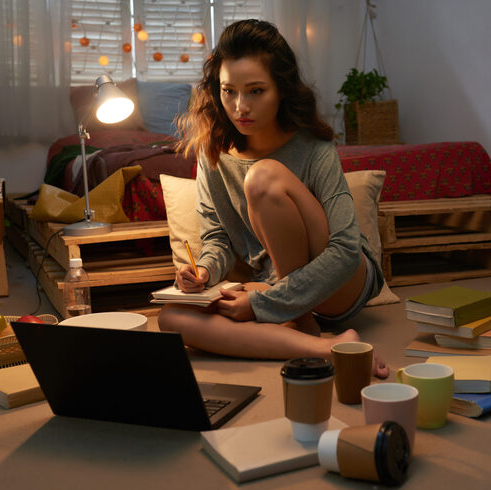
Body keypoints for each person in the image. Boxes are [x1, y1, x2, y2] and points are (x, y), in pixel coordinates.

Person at [157, 19, 388, 378]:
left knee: (263, 177)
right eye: (229, 91)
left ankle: (293, 316)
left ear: (281, 89)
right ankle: (325, 347)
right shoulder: (212, 152)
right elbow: (217, 238)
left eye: (255, 91)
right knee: (171, 318)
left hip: (339, 282)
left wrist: (262, 303)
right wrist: (204, 271)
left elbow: (345, 253)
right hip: (271, 282)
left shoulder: (313, 146)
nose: (240, 106)